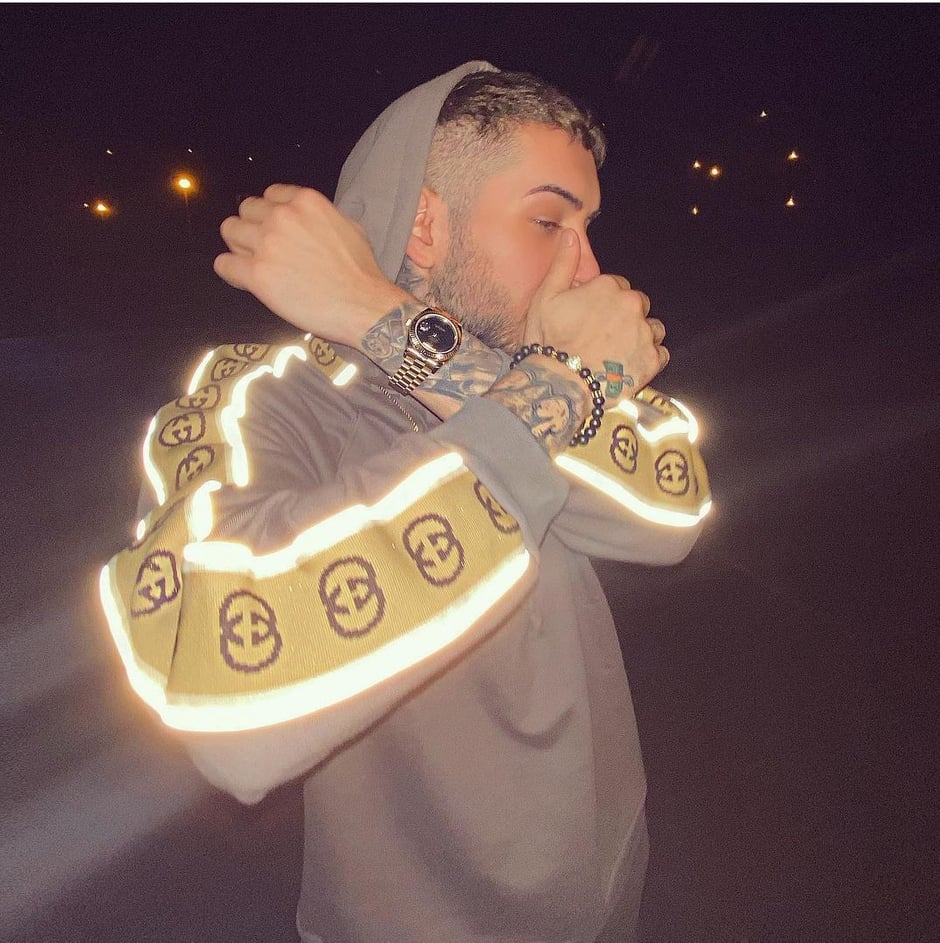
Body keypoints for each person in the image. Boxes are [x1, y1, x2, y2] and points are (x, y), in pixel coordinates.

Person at [99, 62, 712, 943]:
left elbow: (673, 500)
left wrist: (381, 316)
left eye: (588, 229)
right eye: (549, 222)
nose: (587, 267)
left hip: (605, 893)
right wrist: (563, 384)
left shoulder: (534, 368)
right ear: (424, 224)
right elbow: (223, 703)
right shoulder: (258, 397)